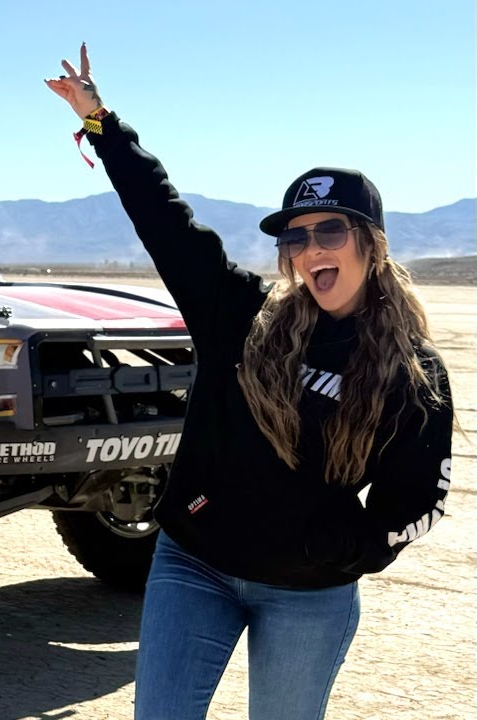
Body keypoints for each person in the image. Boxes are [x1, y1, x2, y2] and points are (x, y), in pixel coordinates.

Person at [44, 44, 454, 719]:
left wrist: (336, 548)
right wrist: (101, 123)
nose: (312, 249)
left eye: (330, 230)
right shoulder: (240, 317)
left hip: (308, 593)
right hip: (193, 564)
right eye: (296, 238)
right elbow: (165, 220)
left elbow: (416, 502)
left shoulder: (411, 375)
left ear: (370, 243)